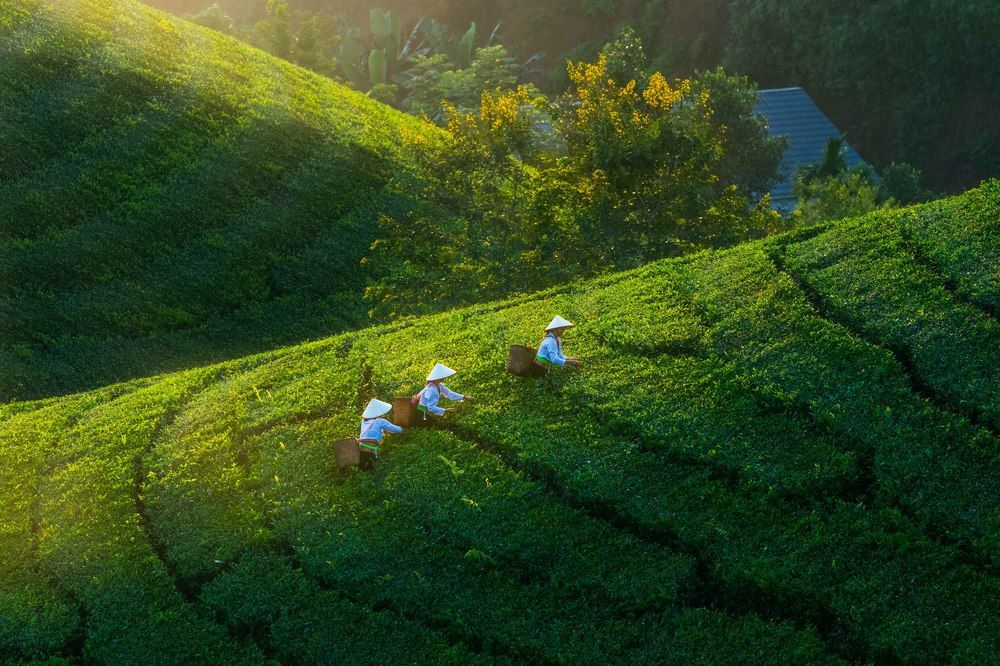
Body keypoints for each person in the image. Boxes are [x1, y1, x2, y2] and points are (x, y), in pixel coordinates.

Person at [358, 398, 403, 470]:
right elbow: (397, 430)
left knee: (362, 469)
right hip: (370, 448)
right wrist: (402, 429)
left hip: (360, 447)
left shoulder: (364, 421)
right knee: (370, 469)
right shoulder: (380, 421)